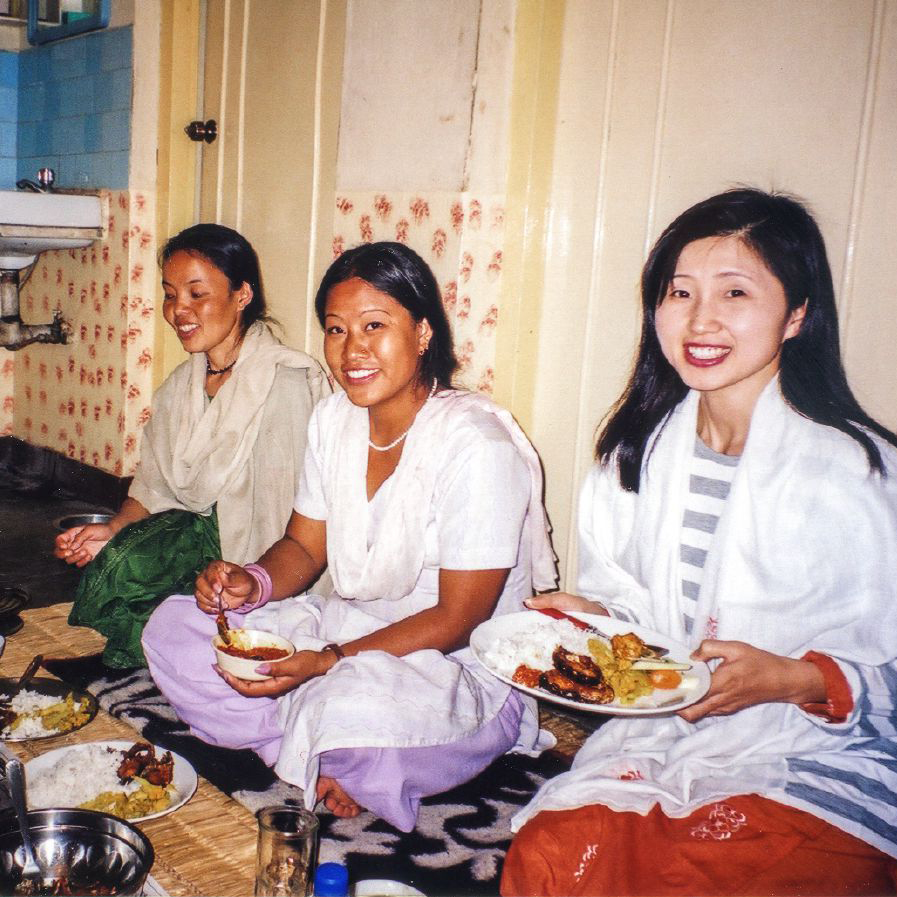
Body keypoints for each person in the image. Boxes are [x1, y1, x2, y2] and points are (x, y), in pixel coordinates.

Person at [501, 189, 897, 896]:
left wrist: (795, 678)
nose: (700, 319)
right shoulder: (635, 452)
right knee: (550, 861)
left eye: (735, 292)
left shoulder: (859, 473)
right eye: (678, 291)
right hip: (662, 735)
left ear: (797, 313)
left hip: (812, 748)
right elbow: (637, 615)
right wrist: (586, 618)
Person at [142, 240, 558, 831]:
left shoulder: (476, 446)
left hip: (455, 661)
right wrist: (251, 583)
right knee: (174, 629)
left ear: (422, 333)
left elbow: (462, 617)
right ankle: (316, 748)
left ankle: (323, 739)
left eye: (374, 326)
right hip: (349, 627)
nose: (352, 350)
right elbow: (304, 548)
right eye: (336, 330)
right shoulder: (333, 421)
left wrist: (325, 664)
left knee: (360, 712)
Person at [56, 223, 330, 668]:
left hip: (262, 558)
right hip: (197, 539)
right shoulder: (180, 386)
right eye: (170, 294)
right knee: (119, 565)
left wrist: (250, 582)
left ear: (242, 295)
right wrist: (112, 530)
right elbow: (151, 487)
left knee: (142, 584)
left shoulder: (285, 382)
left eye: (196, 294)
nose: (178, 310)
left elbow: (292, 516)